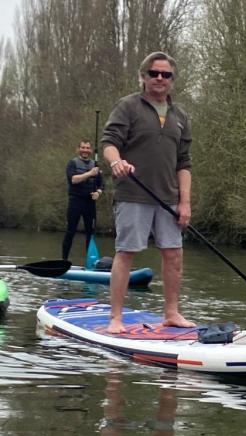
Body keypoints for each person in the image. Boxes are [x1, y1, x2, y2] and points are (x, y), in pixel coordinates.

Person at [101, 51, 195, 333]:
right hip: (133, 194)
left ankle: (171, 313)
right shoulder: (128, 106)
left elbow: (184, 163)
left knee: (174, 253)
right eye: (154, 73)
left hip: (168, 198)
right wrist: (116, 161)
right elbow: (109, 142)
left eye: (165, 75)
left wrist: (185, 202)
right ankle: (115, 318)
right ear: (143, 76)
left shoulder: (180, 116)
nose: (159, 78)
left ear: (172, 80)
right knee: (126, 252)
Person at [62, 139, 103, 260]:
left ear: (90, 150)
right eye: (83, 147)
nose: (85, 150)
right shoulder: (72, 163)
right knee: (70, 232)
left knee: (90, 234)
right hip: (75, 202)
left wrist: (98, 193)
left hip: (90, 203)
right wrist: (90, 173)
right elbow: (73, 180)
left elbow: (101, 185)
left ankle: (89, 262)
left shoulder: (95, 165)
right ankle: (64, 260)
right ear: (78, 149)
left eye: (87, 148)